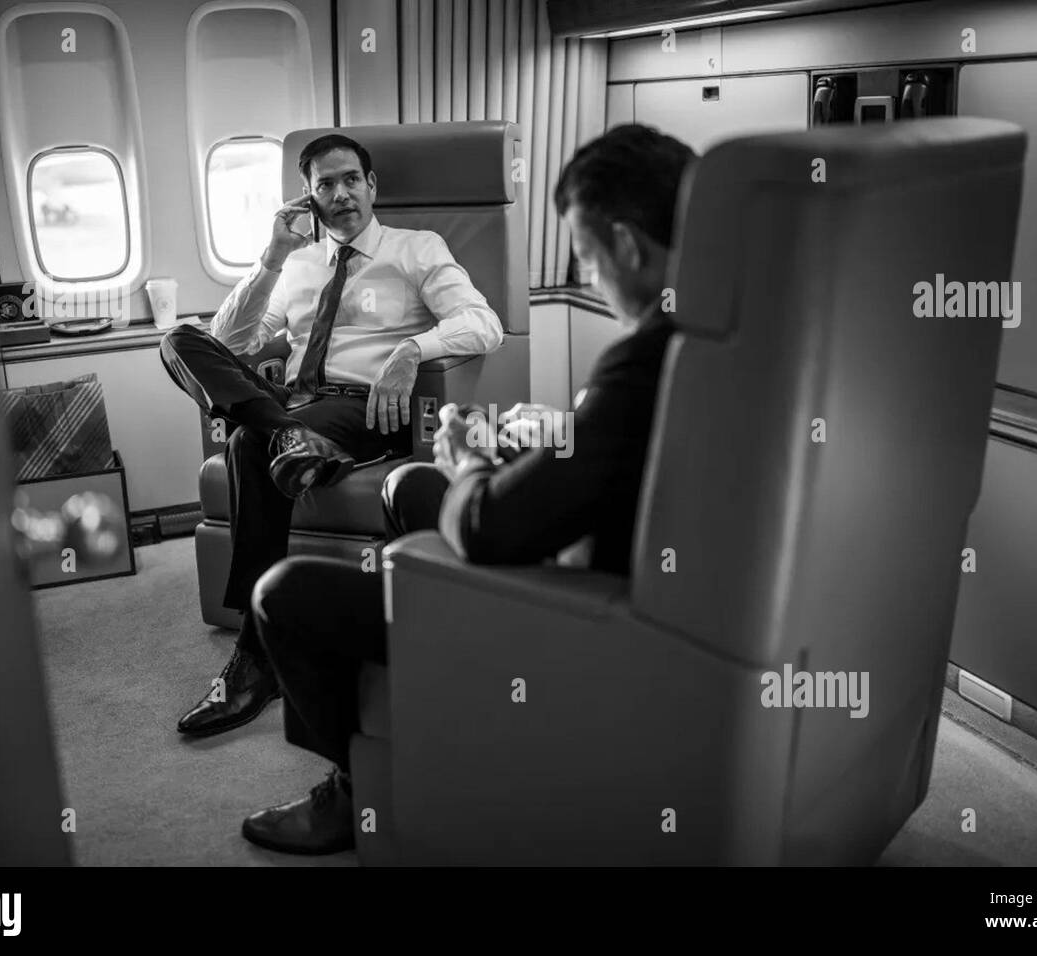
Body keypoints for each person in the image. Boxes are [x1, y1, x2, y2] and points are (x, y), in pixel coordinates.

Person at [238, 123, 698, 855]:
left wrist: (468, 456)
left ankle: (354, 789)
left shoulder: (641, 363)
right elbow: (631, 447)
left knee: (285, 593)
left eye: (582, 251)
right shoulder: (712, 336)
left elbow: (487, 528)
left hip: (573, 609)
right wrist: (558, 427)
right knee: (412, 484)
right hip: (603, 543)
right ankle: (419, 640)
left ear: (629, 247)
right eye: (323, 184)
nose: (586, 269)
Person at [159, 134, 503, 738]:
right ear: (308, 197)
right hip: (295, 405)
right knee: (179, 341)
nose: (340, 193)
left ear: (372, 186)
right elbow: (230, 343)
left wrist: (411, 347)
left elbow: (485, 324)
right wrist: (269, 259)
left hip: (364, 409)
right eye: (324, 184)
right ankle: (288, 435)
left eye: (350, 180)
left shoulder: (417, 249)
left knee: (246, 442)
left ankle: (256, 655)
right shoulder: (295, 264)